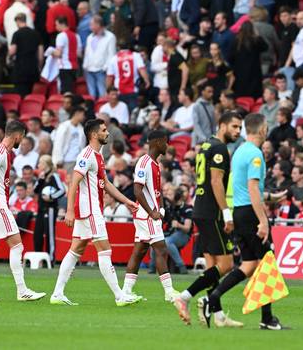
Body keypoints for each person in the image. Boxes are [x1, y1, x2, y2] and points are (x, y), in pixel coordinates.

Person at [202, 114, 287, 330]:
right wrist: (263, 221)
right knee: (268, 261)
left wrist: (271, 197)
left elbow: (246, 188)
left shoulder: (239, 151)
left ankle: (214, 297)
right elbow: (251, 189)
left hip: (239, 211)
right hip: (250, 214)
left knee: (249, 264)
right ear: (262, 129)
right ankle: (267, 319)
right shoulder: (256, 155)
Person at [50, 119, 138, 306]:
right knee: (105, 251)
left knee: (75, 250)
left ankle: (57, 293)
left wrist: (127, 201)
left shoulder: (98, 156)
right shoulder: (87, 155)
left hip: (89, 209)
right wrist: (69, 211)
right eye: (104, 130)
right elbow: (73, 182)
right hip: (89, 210)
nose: (107, 133)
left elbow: (106, 184)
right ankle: (119, 296)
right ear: (93, 134)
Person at [173, 112, 243, 326]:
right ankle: (184, 296)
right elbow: (216, 182)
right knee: (226, 264)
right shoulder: (220, 149)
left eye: (239, 128)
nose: (237, 131)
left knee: (212, 265)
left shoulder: (205, 145)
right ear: (222, 125)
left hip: (200, 209)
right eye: (234, 126)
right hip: (212, 212)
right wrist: (227, 213)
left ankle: (218, 314)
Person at [0, 120, 46, 302]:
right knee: (17, 245)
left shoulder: (4, 152)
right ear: (18, 135)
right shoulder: (0, 151)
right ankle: (22, 290)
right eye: (23, 137)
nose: (22, 140)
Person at [122, 130, 179, 303]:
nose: (167, 145)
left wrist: (160, 207)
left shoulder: (155, 163)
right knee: (161, 249)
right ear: (156, 142)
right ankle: (169, 292)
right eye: (165, 141)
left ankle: (126, 290)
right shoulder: (144, 162)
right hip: (146, 215)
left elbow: (156, 190)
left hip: (148, 214)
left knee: (139, 251)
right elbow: (137, 190)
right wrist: (152, 212)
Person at [33, 155, 65, 262]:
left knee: (49, 234)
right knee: (37, 233)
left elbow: (62, 190)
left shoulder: (54, 176)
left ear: (45, 164)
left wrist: (51, 197)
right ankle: (37, 259)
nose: (38, 165)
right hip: (40, 208)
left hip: (50, 209)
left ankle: (50, 259)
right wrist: (40, 180)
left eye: (40, 163)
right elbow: (35, 190)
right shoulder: (42, 176)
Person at [106, 41, 150, 113]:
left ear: (118, 47)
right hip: (133, 89)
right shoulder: (135, 55)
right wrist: (146, 80)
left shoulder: (114, 58)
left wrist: (108, 89)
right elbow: (141, 69)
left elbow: (109, 76)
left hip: (119, 90)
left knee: (122, 111)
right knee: (133, 111)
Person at [229, 21, 268, 99]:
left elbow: (230, 58)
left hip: (240, 74)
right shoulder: (256, 40)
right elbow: (265, 47)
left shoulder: (236, 42)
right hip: (254, 73)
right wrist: (257, 35)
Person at [8, 13, 43, 97]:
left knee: (19, 95)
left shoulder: (17, 34)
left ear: (17, 21)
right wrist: (39, 67)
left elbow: (12, 51)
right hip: (32, 68)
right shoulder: (36, 34)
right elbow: (41, 55)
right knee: (29, 93)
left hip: (20, 68)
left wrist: (9, 58)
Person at [83, 15, 116, 99]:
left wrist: (106, 67)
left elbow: (111, 54)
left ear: (98, 25)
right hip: (89, 69)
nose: (90, 27)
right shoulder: (90, 37)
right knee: (91, 94)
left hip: (101, 70)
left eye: (92, 24)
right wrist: (85, 65)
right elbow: (87, 52)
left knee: (102, 93)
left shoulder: (110, 37)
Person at [51, 107, 86, 172]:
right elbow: (58, 143)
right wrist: (58, 159)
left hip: (77, 160)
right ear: (77, 114)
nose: (84, 117)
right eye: (83, 115)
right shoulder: (64, 126)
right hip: (66, 160)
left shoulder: (81, 129)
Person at [52, 16, 81, 94]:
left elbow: (58, 53)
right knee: (71, 89)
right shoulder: (76, 36)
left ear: (62, 24)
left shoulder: (61, 36)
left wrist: (51, 52)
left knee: (65, 91)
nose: (56, 27)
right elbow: (79, 53)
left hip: (64, 66)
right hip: (74, 66)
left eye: (57, 25)